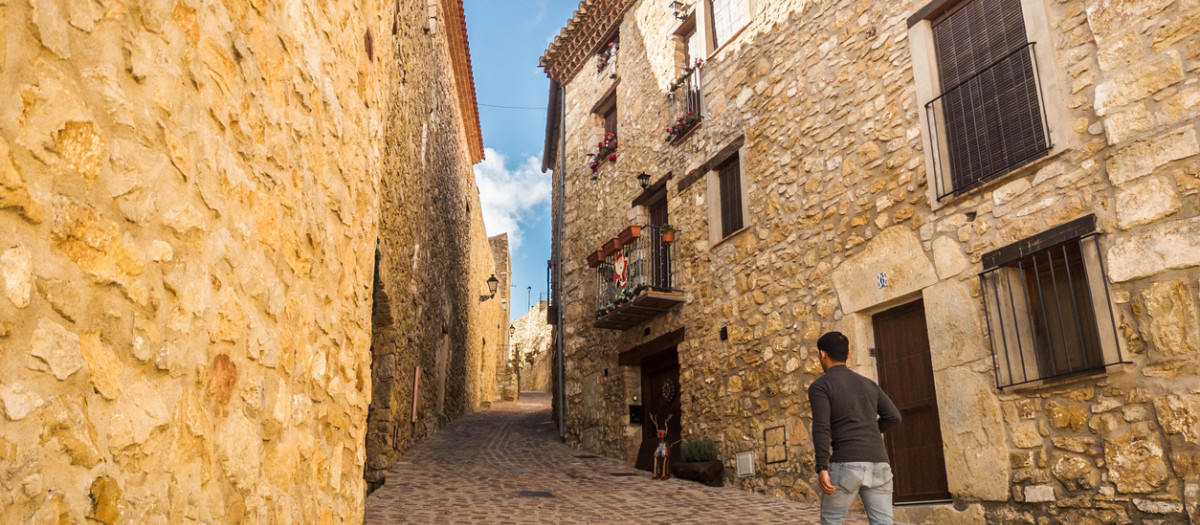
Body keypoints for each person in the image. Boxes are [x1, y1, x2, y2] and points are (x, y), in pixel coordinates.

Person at [808, 331, 902, 525]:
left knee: (832, 521)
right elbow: (894, 417)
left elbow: (821, 427)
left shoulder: (821, 386)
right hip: (880, 465)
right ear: (848, 355)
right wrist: (871, 431)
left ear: (822, 354)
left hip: (845, 465)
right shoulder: (869, 385)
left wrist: (821, 467)